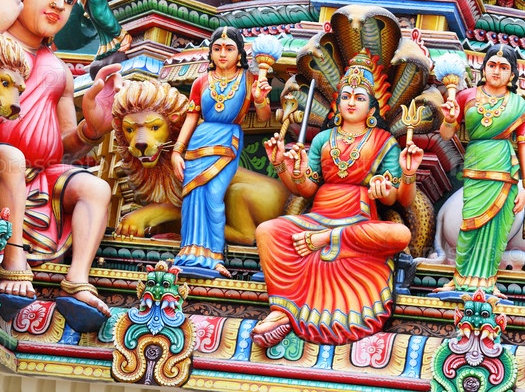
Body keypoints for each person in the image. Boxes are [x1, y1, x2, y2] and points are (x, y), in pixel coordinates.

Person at [0, 0, 122, 320]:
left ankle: (77, 280)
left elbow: (64, 148)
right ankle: (13, 259)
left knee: (96, 188)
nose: (59, 4)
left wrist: (92, 128)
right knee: (11, 158)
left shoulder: (59, 71)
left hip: (40, 177)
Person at [251, 50, 423, 347]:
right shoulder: (322, 139)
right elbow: (306, 189)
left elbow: (400, 199)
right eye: (346, 96)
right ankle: (282, 309)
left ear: (372, 107)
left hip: (358, 221)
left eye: (359, 97)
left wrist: (404, 176)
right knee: (268, 231)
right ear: (337, 103)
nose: (351, 102)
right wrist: (282, 165)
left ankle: (328, 239)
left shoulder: (383, 142)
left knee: (399, 234)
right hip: (318, 216)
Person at [170, 26, 271, 278]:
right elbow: (192, 117)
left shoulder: (250, 80)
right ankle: (190, 252)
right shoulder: (201, 81)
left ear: (240, 54)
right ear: (211, 53)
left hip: (228, 141)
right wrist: (176, 151)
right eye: (217, 49)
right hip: (198, 143)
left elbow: (264, 116)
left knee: (214, 196)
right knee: (192, 198)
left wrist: (260, 98)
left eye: (229, 49)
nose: (222, 54)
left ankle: (214, 256)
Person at [437, 44, 525, 296]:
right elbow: (445, 135)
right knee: (469, 224)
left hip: (504, 172)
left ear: (512, 74)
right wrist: (449, 119)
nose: (496, 71)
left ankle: (487, 282)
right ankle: (460, 278)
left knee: (496, 231)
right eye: (492, 65)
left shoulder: (519, 105)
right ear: (483, 68)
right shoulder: (465, 96)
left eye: (503, 67)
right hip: (475, 168)